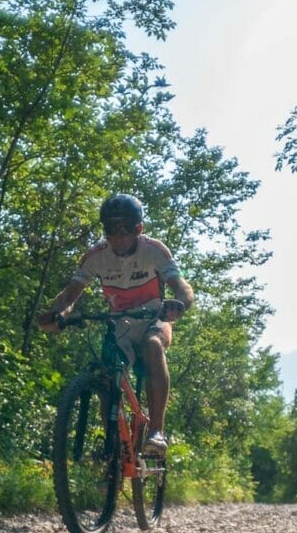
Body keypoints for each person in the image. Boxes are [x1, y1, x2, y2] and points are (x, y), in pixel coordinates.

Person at [38, 193, 194, 456]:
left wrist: (179, 303)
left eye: (126, 230)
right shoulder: (95, 257)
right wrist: (57, 314)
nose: (118, 237)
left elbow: (182, 287)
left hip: (153, 318)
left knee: (153, 345)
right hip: (118, 322)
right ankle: (114, 452)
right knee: (107, 377)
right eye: (111, 230)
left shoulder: (154, 250)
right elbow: (69, 295)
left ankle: (156, 431)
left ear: (139, 229)